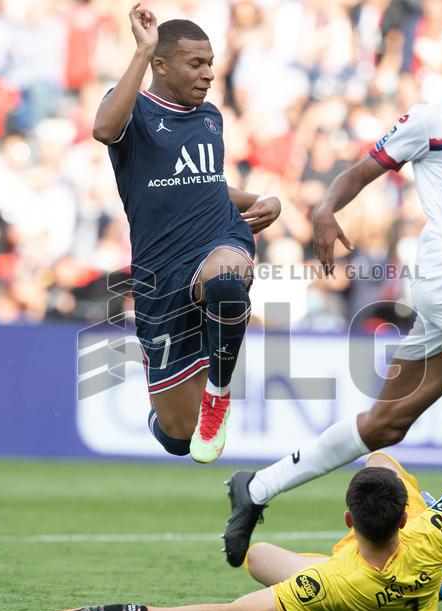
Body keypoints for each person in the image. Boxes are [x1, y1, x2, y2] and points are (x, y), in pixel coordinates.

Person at [223, 12, 442, 565]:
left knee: (387, 423)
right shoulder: (432, 119)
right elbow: (360, 172)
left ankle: (257, 487)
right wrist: (323, 209)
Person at [46, 311, 442, 611]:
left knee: (261, 556)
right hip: (415, 579)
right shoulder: (431, 537)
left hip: (354, 590)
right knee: (384, 459)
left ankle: (261, 487)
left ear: (349, 524)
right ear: (405, 518)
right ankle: (435, 579)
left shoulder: (330, 585)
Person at [92, 5, 281, 463]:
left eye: (211, 63)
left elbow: (207, 186)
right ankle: (176, 413)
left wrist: (262, 199)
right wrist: (142, 49)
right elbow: (102, 129)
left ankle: (219, 394)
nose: (210, 74)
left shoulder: (211, 117)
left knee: (228, 283)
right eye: (196, 63)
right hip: (161, 273)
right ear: (161, 65)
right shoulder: (131, 110)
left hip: (219, 240)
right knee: (179, 438)